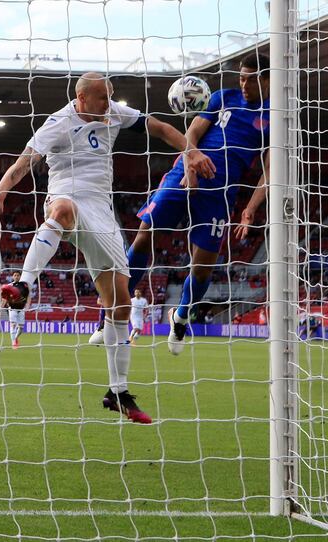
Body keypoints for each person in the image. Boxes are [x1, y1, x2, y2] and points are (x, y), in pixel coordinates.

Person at [0, 72, 215, 424]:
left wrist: (191, 151)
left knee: (120, 303)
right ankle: (24, 285)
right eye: (103, 97)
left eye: (111, 95)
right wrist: (0, 191)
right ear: (81, 98)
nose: (109, 102)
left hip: (102, 214)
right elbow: (23, 163)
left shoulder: (114, 114)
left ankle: (117, 393)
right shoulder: (58, 123)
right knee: (61, 211)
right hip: (68, 195)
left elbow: (162, 128)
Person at [113, 53, 270, 355]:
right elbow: (192, 134)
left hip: (221, 193)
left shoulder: (273, 116)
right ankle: (119, 305)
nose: (244, 83)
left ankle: (181, 315)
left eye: (251, 78)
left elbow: (270, 169)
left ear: (267, 79)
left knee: (201, 269)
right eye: (241, 76)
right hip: (185, 175)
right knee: (145, 231)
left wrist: (250, 208)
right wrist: (189, 168)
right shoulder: (224, 97)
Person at [0, 271, 30, 349]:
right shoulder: (9, 286)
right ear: (12, 277)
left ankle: (15, 338)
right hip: (12, 308)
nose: (16, 277)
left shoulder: (24, 285)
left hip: (21, 308)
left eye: (18, 275)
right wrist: (1, 307)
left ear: (20, 276)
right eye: (15, 275)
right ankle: (13, 343)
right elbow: (4, 298)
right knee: (13, 324)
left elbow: (28, 295)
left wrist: (28, 305)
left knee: (21, 328)